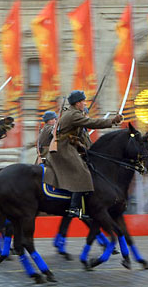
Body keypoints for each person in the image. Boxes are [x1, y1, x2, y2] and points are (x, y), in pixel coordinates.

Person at [44, 90, 122, 219]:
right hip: (63, 149)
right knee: (83, 173)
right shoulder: (73, 115)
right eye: (83, 101)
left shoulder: (73, 113)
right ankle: (74, 208)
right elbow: (93, 123)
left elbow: (78, 133)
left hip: (68, 146)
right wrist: (112, 121)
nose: (85, 103)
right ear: (77, 103)